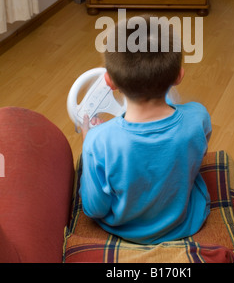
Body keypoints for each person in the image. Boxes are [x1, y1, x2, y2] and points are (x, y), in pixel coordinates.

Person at [79, 15, 212, 244]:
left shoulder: (98, 141)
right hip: (186, 223)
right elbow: (198, 154)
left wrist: (88, 141)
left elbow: (93, 209)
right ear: (179, 76)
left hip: (125, 229)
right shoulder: (198, 117)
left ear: (109, 82)